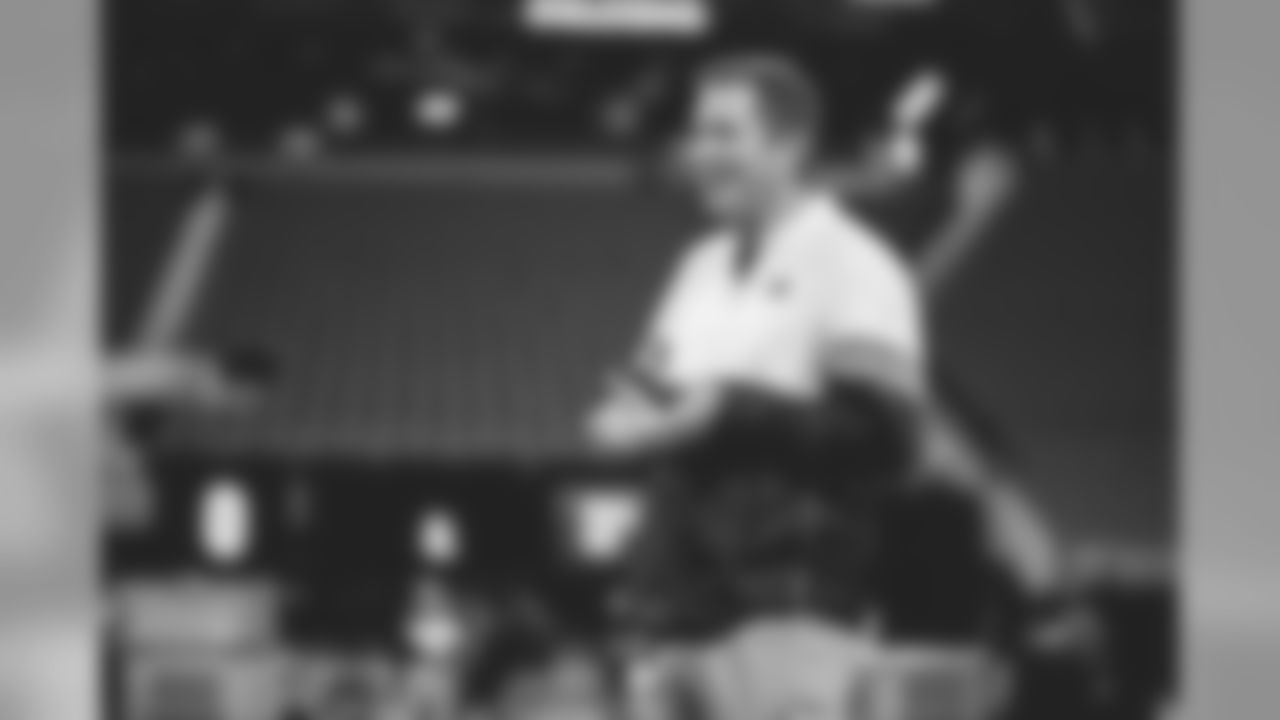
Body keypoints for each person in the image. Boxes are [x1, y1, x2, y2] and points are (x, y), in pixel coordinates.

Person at [585, 52, 929, 720]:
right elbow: (651, 392)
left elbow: (888, 440)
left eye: (724, 133)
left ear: (790, 146)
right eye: (696, 132)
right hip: (677, 621)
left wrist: (730, 409)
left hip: (791, 617)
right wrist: (626, 412)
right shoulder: (697, 266)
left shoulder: (856, 265)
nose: (700, 153)